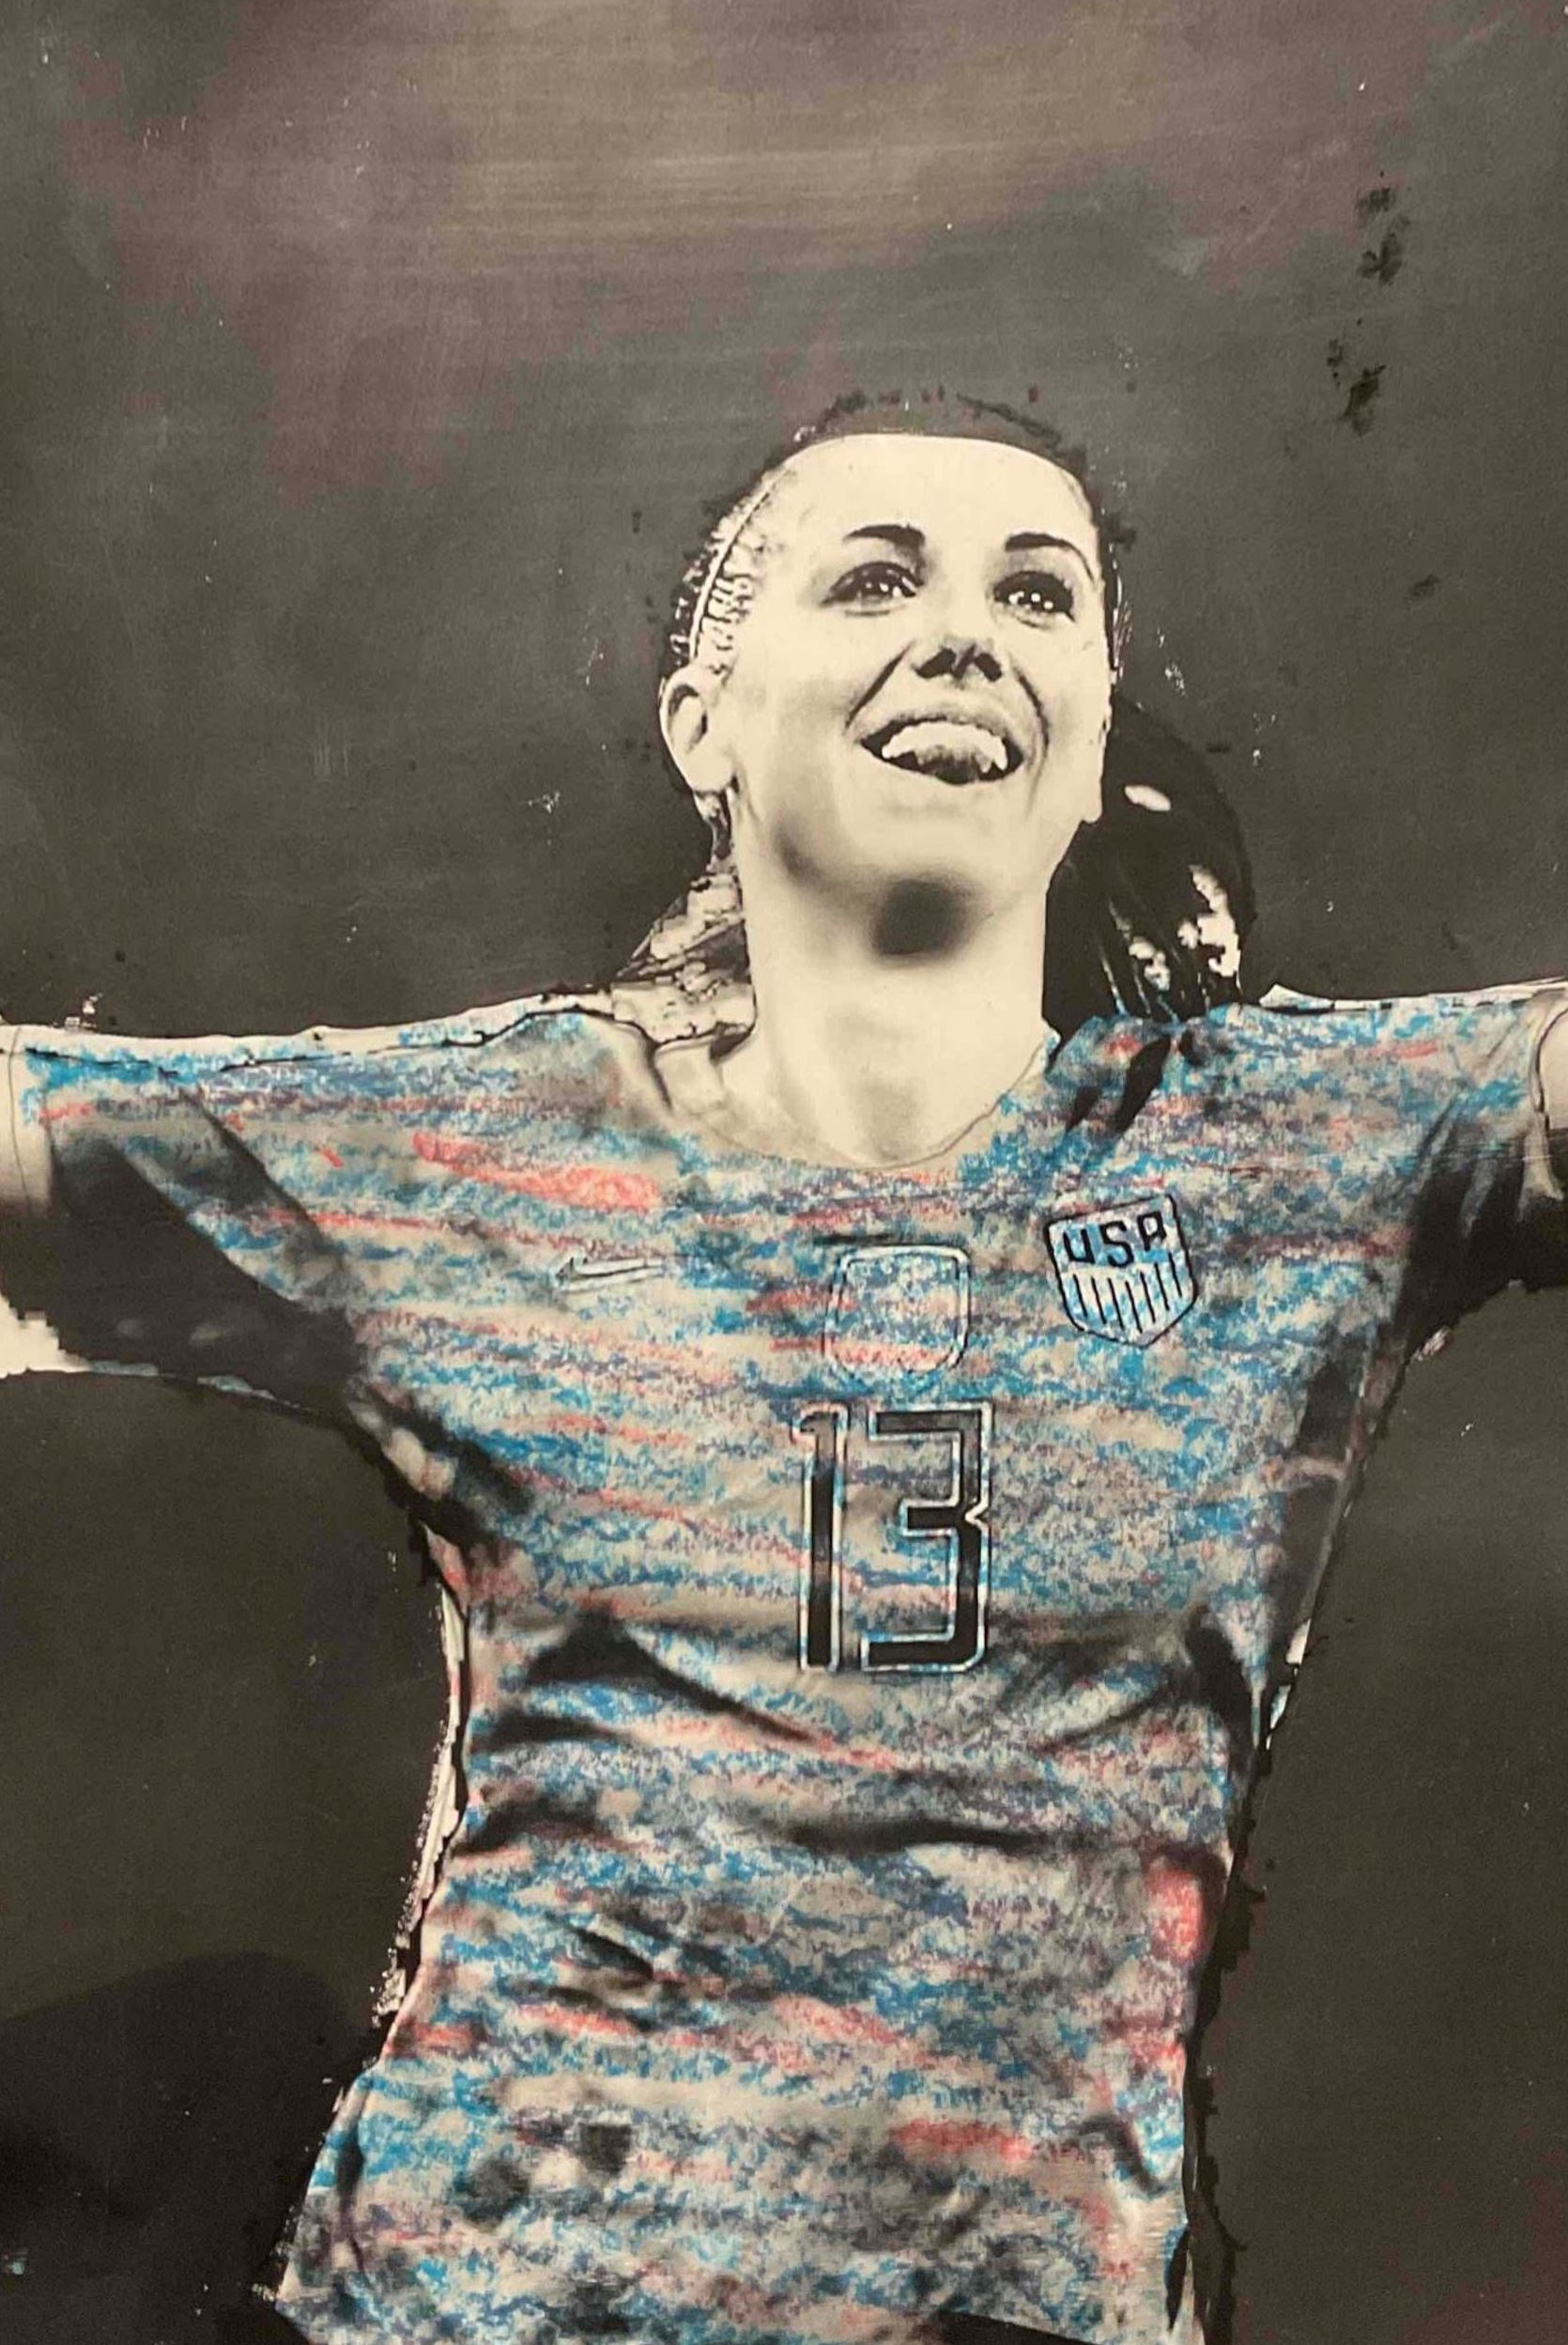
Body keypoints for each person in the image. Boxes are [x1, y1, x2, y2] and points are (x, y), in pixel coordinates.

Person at [1, 390, 1564, 2345]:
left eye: (1036, 595)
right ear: (703, 726)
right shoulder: (509, 1141)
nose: (965, 633)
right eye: (875, 580)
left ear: (1089, 744)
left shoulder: (1285, 1147)